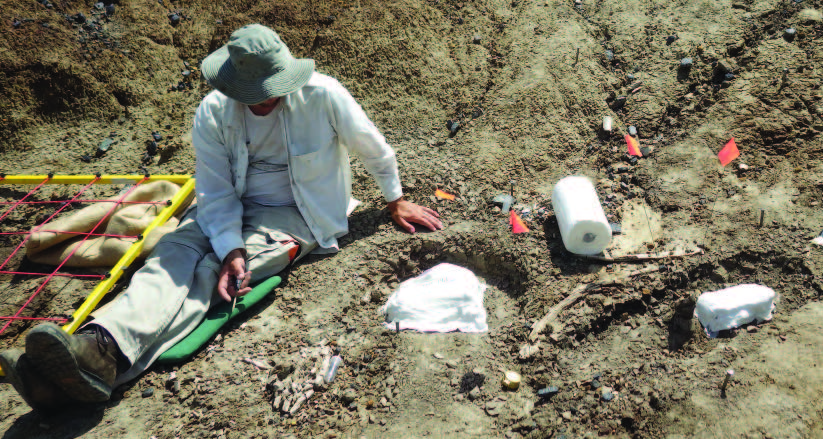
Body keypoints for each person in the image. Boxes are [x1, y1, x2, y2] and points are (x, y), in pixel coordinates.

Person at [0, 23, 443, 411]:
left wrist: (393, 199)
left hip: (298, 218)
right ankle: (92, 351)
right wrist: (229, 241)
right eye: (254, 95)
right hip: (226, 208)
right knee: (171, 254)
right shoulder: (213, 112)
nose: (263, 101)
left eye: (271, 91)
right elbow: (215, 189)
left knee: (214, 276)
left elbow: (372, 146)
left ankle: (101, 358)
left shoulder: (323, 96)